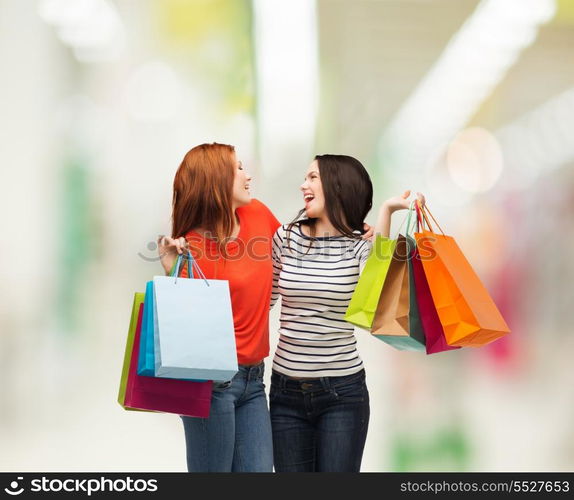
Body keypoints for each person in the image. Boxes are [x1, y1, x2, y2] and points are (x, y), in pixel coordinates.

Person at [269, 153, 424, 472]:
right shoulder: (284, 237)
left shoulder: (359, 244)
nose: (303, 185)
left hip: (342, 392)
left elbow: (378, 283)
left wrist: (388, 210)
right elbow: (263, 299)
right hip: (285, 394)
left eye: (312, 178)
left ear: (337, 186)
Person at [157, 142, 280, 472]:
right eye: (238, 169)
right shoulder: (190, 246)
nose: (247, 175)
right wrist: (172, 267)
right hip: (210, 384)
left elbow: (297, 252)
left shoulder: (260, 216)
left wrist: (351, 231)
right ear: (216, 181)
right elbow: (183, 325)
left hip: (254, 381)